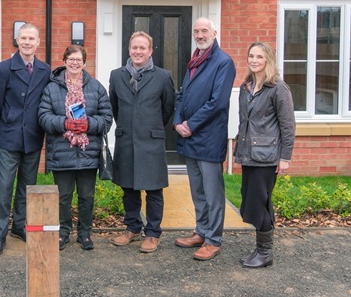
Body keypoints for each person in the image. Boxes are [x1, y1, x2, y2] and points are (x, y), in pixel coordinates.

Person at [38, 45, 113, 251]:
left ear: (85, 62)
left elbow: (107, 118)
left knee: (87, 196)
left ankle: (84, 233)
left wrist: (89, 124)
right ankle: (63, 232)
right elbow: (43, 117)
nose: (74, 63)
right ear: (64, 61)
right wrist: (65, 123)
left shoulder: (96, 87)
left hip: (88, 152)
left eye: (78, 59)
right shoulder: (51, 88)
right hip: (62, 151)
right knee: (63, 196)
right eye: (70, 59)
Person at [174, 17, 236, 261]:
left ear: (214, 32)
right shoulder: (195, 61)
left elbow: (217, 102)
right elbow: (183, 96)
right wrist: (178, 122)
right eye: (196, 31)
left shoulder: (223, 62)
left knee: (212, 193)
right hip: (190, 138)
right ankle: (201, 231)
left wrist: (191, 124)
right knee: (197, 190)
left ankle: (214, 239)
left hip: (209, 138)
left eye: (204, 31)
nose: (200, 35)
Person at [108, 31, 175, 253]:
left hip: (151, 141)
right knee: (129, 187)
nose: (138, 52)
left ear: (150, 51)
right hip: (126, 139)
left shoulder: (163, 76)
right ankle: (132, 227)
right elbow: (114, 107)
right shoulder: (116, 75)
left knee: (154, 190)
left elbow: (168, 109)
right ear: (129, 50)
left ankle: (153, 233)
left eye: (142, 48)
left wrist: (149, 127)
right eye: (134, 47)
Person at [0, 23, 51, 256]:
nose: (27, 42)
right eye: (23, 38)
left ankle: (19, 225)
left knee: (27, 187)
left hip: (33, 138)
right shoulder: (3, 68)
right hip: (10, 136)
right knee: (4, 187)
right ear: (17, 40)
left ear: (37, 42)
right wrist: (9, 120)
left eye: (31, 38)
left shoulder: (45, 70)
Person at [234, 42, 295, 268]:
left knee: (261, 202)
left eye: (259, 56)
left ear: (267, 60)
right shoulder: (246, 86)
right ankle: (260, 250)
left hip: (267, 156)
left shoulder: (278, 88)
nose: (254, 60)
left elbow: (288, 125)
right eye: (251, 56)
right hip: (249, 154)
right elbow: (244, 122)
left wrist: (285, 158)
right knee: (251, 200)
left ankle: (265, 253)